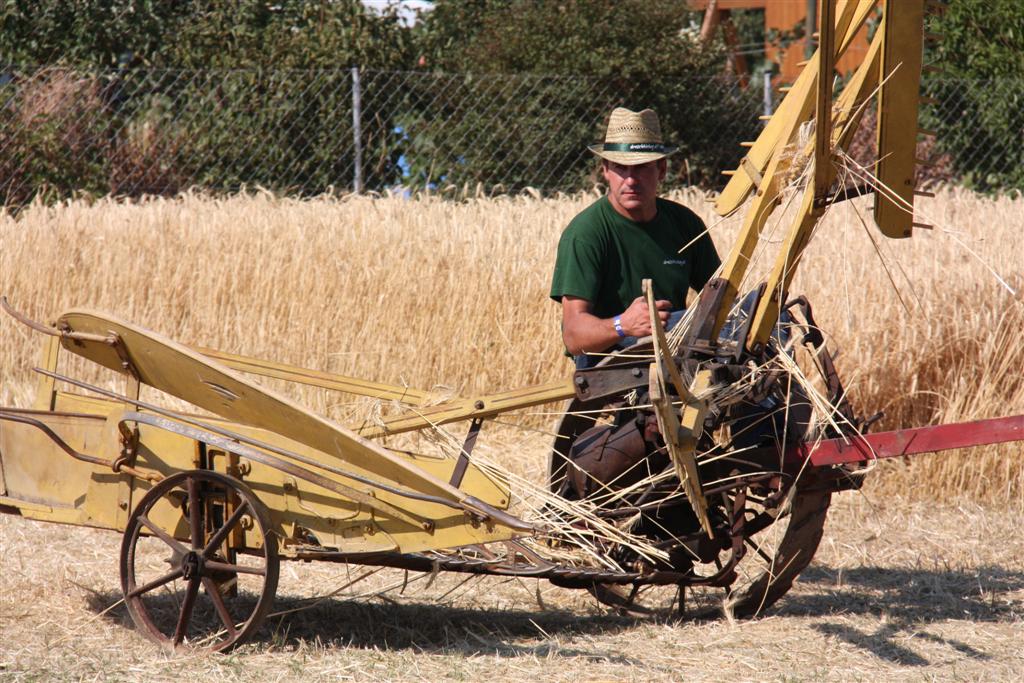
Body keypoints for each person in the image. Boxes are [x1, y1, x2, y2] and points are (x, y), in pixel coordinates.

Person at [550, 107, 721, 368]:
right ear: (605, 170)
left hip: (674, 356)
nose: (630, 180)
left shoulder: (686, 224)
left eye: (641, 167)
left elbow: (720, 298)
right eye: (621, 168)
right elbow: (573, 337)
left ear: (661, 169)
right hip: (609, 366)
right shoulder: (585, 234)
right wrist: (624, 325)